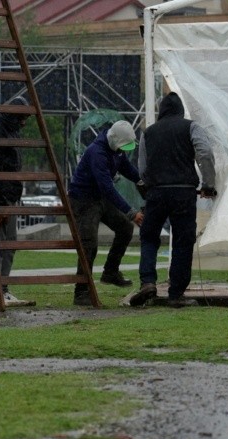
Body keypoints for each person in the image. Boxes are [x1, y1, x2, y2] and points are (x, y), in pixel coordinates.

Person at [126, 92, 217, 308]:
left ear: (161, 111)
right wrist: (208, 184)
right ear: (180, 110)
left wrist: (153, 182)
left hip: (156, 193)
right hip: (184, 193)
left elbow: (142, 168)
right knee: (182, 242)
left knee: (149, 237)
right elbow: (204, 152)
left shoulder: (148, 133)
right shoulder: (191, 127)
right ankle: (176, 294)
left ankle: (148, 282)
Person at [68, 120, 144, 306]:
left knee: (125, 229)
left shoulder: (116, 150)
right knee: (89, 245)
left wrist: (142, 181)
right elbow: (107, 188)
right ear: (115, 140)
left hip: (100, 197)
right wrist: (131, 213)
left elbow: (127, 168)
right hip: (84, 201)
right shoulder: (97, 153)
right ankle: (81, 292)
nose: (124, 150)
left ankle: (110, 272)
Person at [0, 96, 30, 302]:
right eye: (22, 118)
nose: (24, 123)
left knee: (9, 243)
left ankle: (2, 287)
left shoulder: (10, 128)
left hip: (9, 195)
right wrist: (1, 204)